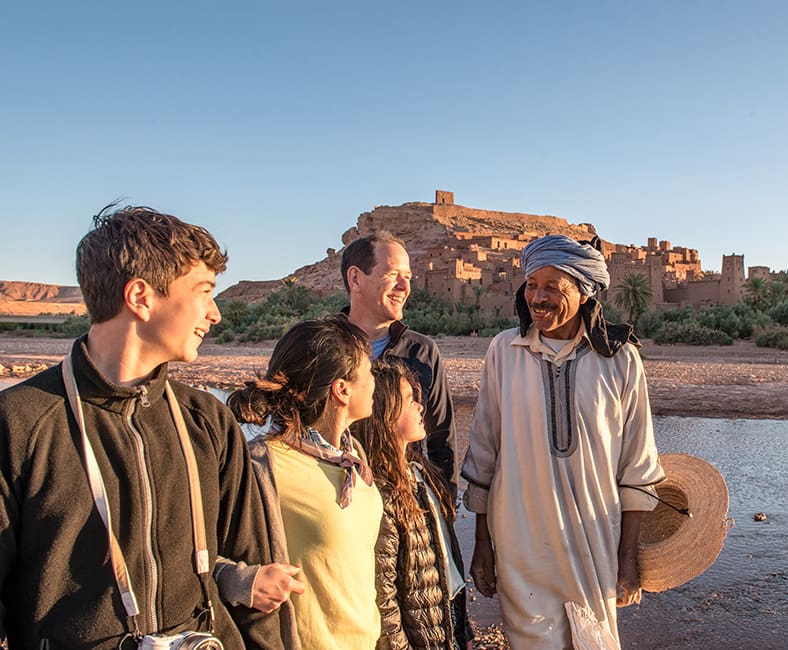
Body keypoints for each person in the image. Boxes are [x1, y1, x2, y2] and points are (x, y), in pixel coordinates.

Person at [0, 205, 280, 648]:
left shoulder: (208, 421)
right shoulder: (19, 423)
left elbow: (254, 579)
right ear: (141, 297)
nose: (215, 314)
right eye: (204, 292)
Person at [460, 234, 665, 648]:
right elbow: (484, 452)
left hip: (595, 540)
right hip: (520, 540)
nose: (538, 297)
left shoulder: (621, 360)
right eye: (533, 284)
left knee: (595, 640)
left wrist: (628, 559)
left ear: (585, 291)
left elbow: (637, 463)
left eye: (553, 287)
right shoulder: (503, 351)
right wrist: (483, 545)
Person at [221, 314, 383, 649]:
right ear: (342, 389)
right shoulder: (262, 464)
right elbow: (190, 552)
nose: (375, 381)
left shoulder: (353, 455)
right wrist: (240, 581)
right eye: (369, 372)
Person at [353, 361, 474, 650]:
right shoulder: (381, 494)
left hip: (446, 628)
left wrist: (463, 630)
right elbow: (384, 598)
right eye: (410, 401)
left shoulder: (421, 473)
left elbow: (448, 569)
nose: (421, 407)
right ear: (385, 415)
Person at [340, 232, 457, 489]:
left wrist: (445, 507)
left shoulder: (421, 351)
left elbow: (442, 440)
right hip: (335, 504)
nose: (405, 288)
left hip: (403, 503)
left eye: (408, 278)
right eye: (393, 275)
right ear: (356, 279)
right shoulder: (318, 347)